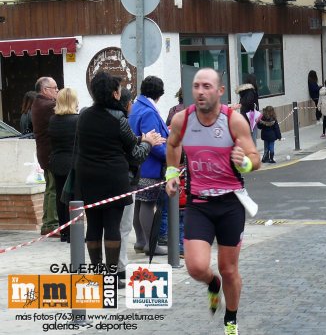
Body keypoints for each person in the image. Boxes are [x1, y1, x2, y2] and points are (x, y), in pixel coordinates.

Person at [165, 68, 261, 335]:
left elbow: (256, 160)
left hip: (230, 204)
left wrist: (243, 162)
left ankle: (230, 319)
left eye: (207, 86)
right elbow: (173, 145)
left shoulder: (234, 121)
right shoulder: (182, 120)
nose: (200, 91)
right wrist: (172, 173)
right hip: (199, 203)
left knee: (229, 269)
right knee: (195, 267)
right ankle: (211, 283)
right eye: (196, 86)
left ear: (220, 91)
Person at [75, 72, 160, 276]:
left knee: (94, 225)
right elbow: (136, 155)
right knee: (112, 226)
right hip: (114, 179)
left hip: (87, 178)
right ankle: (112, 274)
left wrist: (140, 139)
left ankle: (97, 273)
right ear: (114, 93)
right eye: (119, 89)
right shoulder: (119, 118)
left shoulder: (84, 116)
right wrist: (148, 142)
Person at [129, 76, 170, 256]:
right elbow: (155, 143)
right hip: (149, 165)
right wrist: (171, 156)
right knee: (147, 204)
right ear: (159, 94)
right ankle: (150, 244)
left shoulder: (138, 107)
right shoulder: (148, 112)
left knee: (140, 203)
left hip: (138, 164)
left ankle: (140, 241)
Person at [48, 88, 79, 243]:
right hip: (73, 162)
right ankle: (74, 231)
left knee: (60, 198)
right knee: (74, 197)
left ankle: (64, 232)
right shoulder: (77, 120)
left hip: (57, 162)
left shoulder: (53, 120)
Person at [31, 77, 59, 236]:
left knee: (50, 188)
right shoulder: (48, 105)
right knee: (53, 189)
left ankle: (48, 222)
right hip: (50, 154)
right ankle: (51, 224)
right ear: (45, 90)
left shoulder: (38, 102)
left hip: (45, 153)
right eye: (54, 88)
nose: (57, 90)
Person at [236, 74, 260, 144]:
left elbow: (242, 103)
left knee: (246, 135)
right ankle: (252, 152)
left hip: (244, 114)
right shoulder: (251, 91)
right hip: (251, 115)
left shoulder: (243, 92)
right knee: (253, 135)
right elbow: (250, 102)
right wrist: (254, 107)